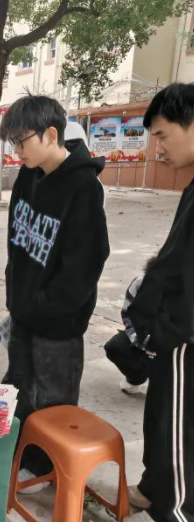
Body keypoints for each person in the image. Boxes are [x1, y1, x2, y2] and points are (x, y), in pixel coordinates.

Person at [0, 94, 110, 490]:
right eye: (12, 143)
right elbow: (16, 242)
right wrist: (17, 296)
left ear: (50, 134)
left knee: (54, 402)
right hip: (23, 313)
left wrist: (45, 306)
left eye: (21, 141)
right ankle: (22, 458)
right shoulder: (27, 176)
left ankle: (51, 474)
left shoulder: (83, 187)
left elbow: (86, 265)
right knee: (20, 390)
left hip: (58, 325)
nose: (16, 151)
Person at [122, 83, 194, 522]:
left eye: (163, 135)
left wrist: (166, 330)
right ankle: (154, 487)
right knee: (163, 422)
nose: (158, 147)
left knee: (178, 435)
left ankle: (176, 509)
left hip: (184, 336)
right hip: (171, 335)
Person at [103, 257, 157, 395]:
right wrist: (145, 344)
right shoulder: (139, 284)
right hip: (146, 340)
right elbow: (128, 316)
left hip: (174, 348)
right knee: (115, 347)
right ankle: (137, 378)